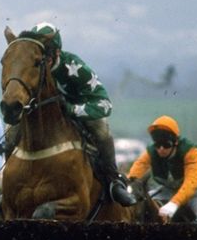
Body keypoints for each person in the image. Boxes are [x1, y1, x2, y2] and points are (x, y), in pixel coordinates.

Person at [18, 22, 136, 206]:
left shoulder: (75, 67)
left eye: (49, 53)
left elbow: (104, 104)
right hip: (43, 115)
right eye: (41, 53)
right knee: (11, 129)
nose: (45, 59)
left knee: (103, 132)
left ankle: (114, 181)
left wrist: (72, 109)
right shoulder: (33, 67)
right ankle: (10, 184)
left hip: (76, 111)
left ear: (58, 52)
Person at [127, 115, 197, 223]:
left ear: (175, 142)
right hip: (168, 189)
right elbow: (136, 171)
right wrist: (128, 184)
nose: (161, 149)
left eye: (166, 145)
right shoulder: (150, 152)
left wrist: (174, 203)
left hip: (196, 192)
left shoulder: (191, 152)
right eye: (158, 145)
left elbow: (191, 183)